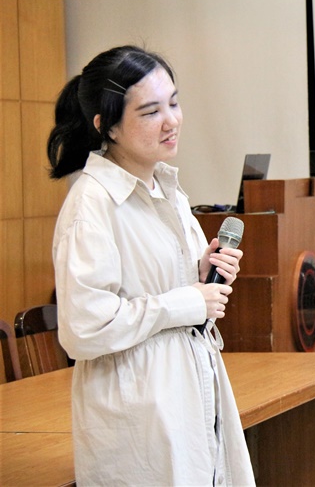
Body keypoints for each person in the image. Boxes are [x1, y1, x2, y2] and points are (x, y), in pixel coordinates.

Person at [47, 45, 256, 486]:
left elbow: (163, 290)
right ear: (106, 125)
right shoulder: (92, 204)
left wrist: (201, 272)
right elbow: (84, 329)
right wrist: (186, 301)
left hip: (190, 394)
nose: (171, 121)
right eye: (150, 112)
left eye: (174, 104)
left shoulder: (167, 189)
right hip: (140, 413)